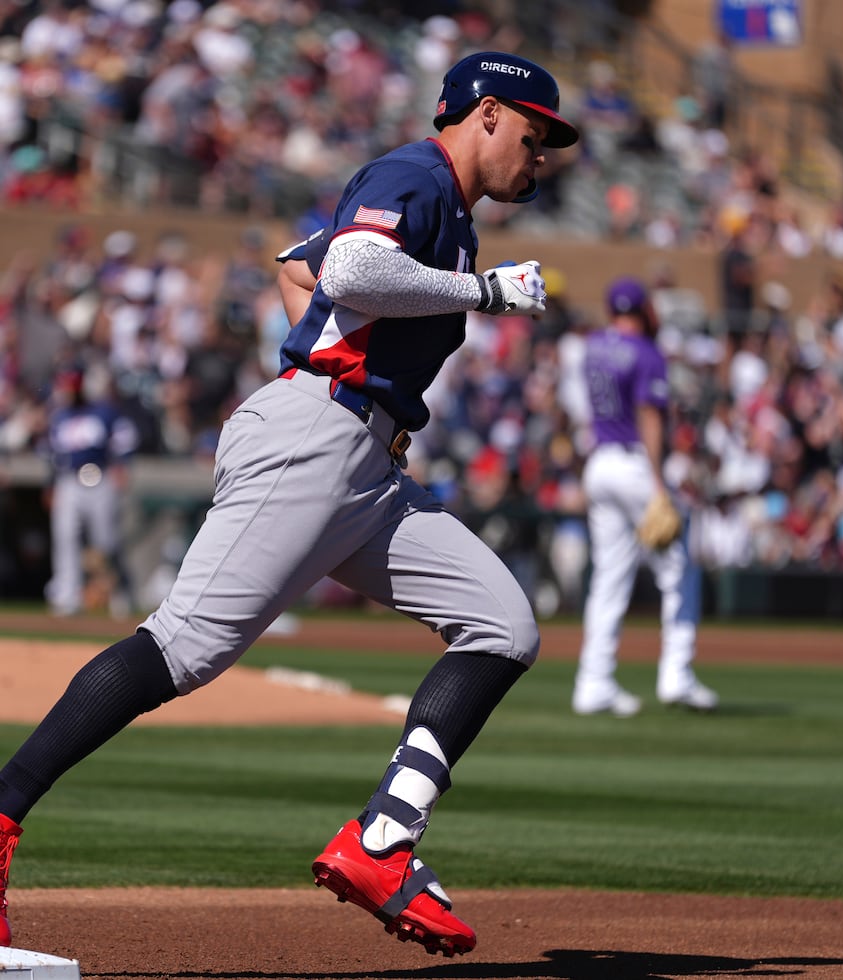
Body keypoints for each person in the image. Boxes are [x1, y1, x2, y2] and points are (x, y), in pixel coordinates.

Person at [0, 50, 579, 958]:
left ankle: (385, 837)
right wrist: (481, 293)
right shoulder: (416, 176)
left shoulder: (442, 208)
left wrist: (334, 341)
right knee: (182, 649)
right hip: (319, 437)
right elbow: (347, 271)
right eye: (535, 137)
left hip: (365, 465)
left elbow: (297, 269)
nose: (539, 159)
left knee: (503, 624)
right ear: (490, 115)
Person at [572, 277, 718, 717]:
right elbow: (650, 417)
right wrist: (659, 485)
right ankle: (677, 674)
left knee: (609, 578)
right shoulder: (647, 352)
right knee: (679, 568)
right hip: (635, 463)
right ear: (644, 309)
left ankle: (593, 682)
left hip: (599, 462)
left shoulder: (592, 346)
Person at [42, 365, 139, 617]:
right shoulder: (59, 416)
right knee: (66, 536)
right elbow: (52, 454)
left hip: (100, 476)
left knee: (106, 541)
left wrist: (121, 465)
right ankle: (67, 595)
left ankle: (120, 593)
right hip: (69, 480)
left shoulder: (103, 411)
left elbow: (125, 438)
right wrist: (50, 484)